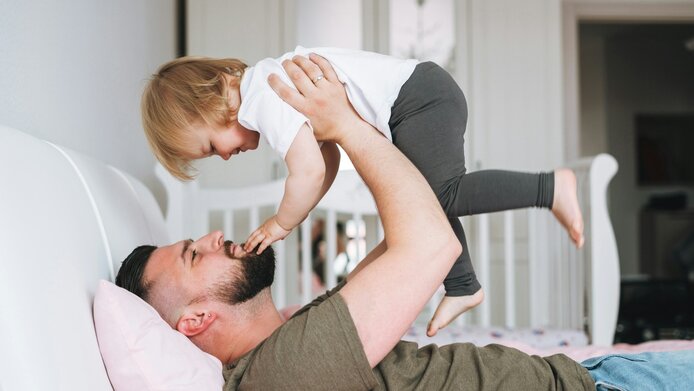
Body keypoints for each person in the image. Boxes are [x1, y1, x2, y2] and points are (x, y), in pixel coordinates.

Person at [120, 57, 694, 390]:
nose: (213, 235)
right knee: (443, 197)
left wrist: (342, 133)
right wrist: (344, 124)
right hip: (599, 387)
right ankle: (546, 192)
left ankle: (530, 213)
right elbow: (429, 240)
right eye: (194, 255)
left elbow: (411, 230)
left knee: (439, 196)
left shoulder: (290, 341)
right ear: (193, 319)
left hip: (589, 376)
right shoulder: (282, 373)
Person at [140, 46, 585, 335]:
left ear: (213, 98)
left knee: (437, 197)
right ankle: (464, 285)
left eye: (210, 147)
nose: (222, 156)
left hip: (419, 98)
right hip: (421, 95)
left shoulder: (264, 95)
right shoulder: (271, 88)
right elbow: (327, 161)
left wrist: (281, 222)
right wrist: (299, 208)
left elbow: (309, 170)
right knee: (425, 198)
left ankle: (550, 187)